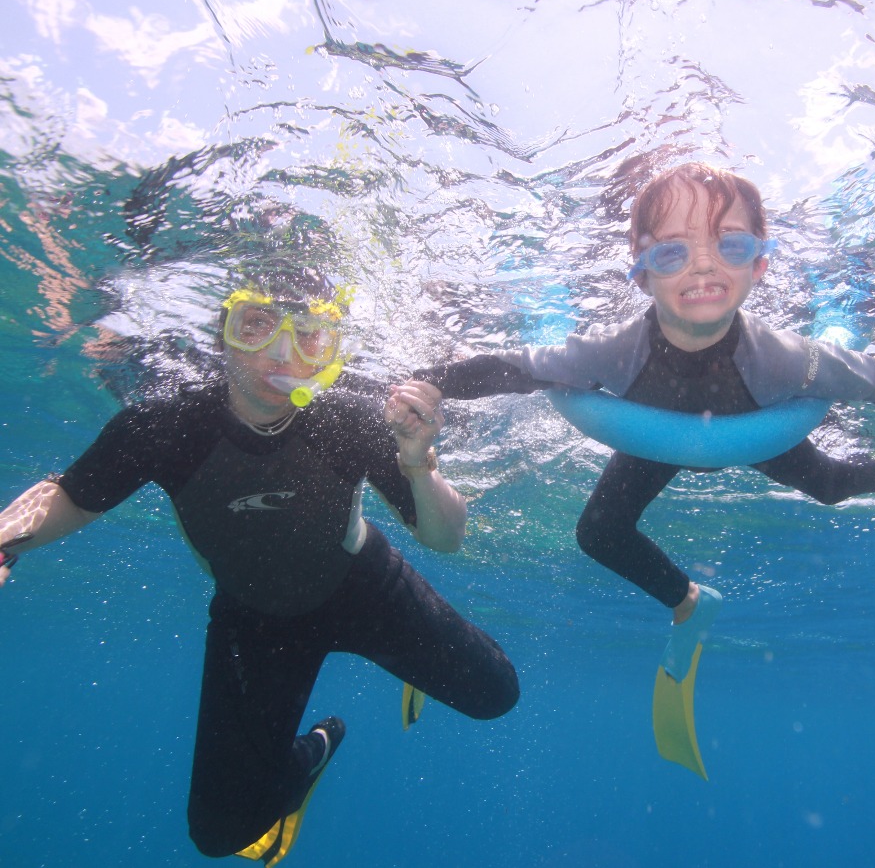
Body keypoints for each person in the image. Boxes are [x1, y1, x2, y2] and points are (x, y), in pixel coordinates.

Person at [0, 255, 519, 865]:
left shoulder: (351, 417)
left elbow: (444, 538)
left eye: (307, 335)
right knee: (219, 835)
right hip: (255, 620)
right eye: (256, 326)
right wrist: (5, 542)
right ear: (223, 333)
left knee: (495, 694)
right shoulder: (165, 424)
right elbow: (72, 497)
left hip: (364, 586)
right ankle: (318, 749)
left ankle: (406, 660)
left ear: (327, 349)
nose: (282, 353)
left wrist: (415, 462)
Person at [415, 162, 875, 681]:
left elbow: (869, 376)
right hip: (654, 438)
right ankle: (689, 602)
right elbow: (517, 368)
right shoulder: (611, 353)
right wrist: (430, 384)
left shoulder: (783, 358)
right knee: (596, 533)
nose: (705, 264)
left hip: (760, 426)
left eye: (730, 247)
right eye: (672, 253)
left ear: (760, 266)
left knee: (832, 487)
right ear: (641, 274)